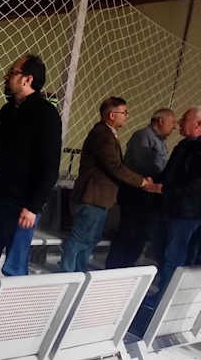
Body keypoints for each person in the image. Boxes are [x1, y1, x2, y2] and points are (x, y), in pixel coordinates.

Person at [0, 55, 62, 279]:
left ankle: (11, 304)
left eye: (12, 72)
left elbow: (50, 167)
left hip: (24, 205)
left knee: (14, 266)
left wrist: (33, 206)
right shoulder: (8, 110)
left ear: (27, 79)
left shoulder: (46, 115)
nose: (6, 76)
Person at [59, 97, 151, 273]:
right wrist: (142, 182)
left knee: (90, 239)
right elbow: (115, 167)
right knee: (80, 239)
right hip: (92, 198)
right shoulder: (103, 136)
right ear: (111, 115)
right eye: (124, 112)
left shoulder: (107, 134)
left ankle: (78, 272)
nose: (127, 116)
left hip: (99, 199)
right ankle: (66, 274)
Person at [105, 108, 176, 269]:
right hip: (135, 195)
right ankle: (114, 270)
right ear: (161, 121)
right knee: (127, 234)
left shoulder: (160, 142)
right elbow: (144, 165)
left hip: (148, 196)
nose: (174, 126)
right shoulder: (143, 136)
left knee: (139, 236)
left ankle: (128, 270)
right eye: (172, 122)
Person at [150, 106, 201, 294]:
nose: (179, 122)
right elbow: (169, 174)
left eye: (184, 119)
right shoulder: (182, 146)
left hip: (186, 214)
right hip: (169, 209)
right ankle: (162, 293)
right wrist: (153, 182)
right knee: (162, 253)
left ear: (198, 124)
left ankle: (168, 298)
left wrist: (163, 189)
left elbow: (195, 185)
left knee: (174, 258)